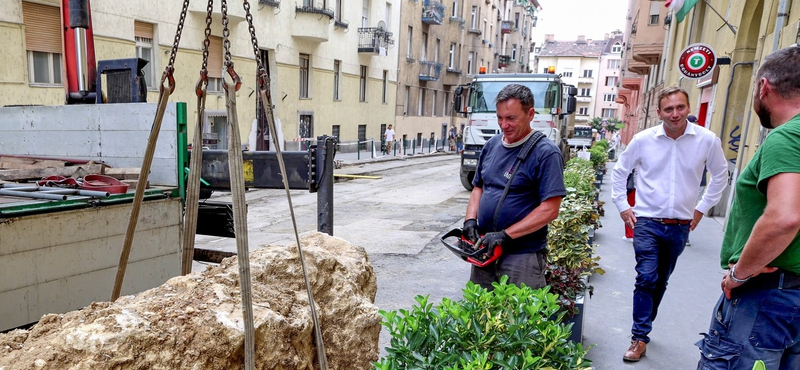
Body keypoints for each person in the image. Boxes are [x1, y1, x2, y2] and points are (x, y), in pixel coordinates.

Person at [696, 46, 800, 370]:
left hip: (769, 298)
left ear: (764, 87)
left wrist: (739, 273)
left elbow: (784, 217)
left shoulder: (785, 138)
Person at [610, 86, 728, 362]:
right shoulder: (643, 140)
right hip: (647, 222)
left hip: (680, 225)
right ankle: (639, 337)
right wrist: (623, 206)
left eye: (680, 108)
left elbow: (720, 176)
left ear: (688, 108)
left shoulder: (707, 141)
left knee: (661, 280)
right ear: (659, 112)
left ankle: (643, 323)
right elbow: (620, 172)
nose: (675, 114)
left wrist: (701, 209)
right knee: (647, 277)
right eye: (668, 109)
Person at [461, 84, 566, 290]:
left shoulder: (546, 153)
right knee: (481, 316)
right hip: (485, 251)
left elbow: (550, 209)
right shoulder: (491, 145)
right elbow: (478, 187)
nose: (504, 124)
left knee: (520, 320)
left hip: (522, 256)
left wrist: (505, 235)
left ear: (530, 114)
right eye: (500, 118)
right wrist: (470, 221)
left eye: (511, 118)